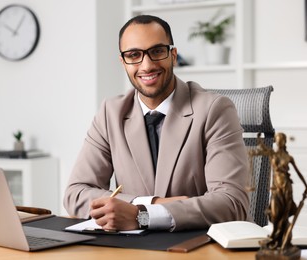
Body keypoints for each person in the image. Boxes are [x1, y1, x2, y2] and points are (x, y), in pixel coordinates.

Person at [63, 14, 249, 232]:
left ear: (173, 55)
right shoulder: (110, 113)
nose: (147, 65)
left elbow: (232, 203)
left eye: (157, 51)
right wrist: (151, 204)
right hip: (131, 250)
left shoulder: (214, 110)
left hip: (195, 246)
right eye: (134, 55)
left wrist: (141, 216)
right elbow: (75, 194)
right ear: (123, 62)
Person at [250, 133, 307, 251]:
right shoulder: (272, 154)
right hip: (276, 188)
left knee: (284, 215)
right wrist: (258, 136)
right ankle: (274, 238)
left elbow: (298, 173)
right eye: (277, 139)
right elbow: (262, 146)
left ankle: (281, 241)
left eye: (281, 139)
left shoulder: (289, 157)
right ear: (276, 141)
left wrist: (306, 186)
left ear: (284, 142)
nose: (279, 141)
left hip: (286, 187)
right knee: (275, 214)